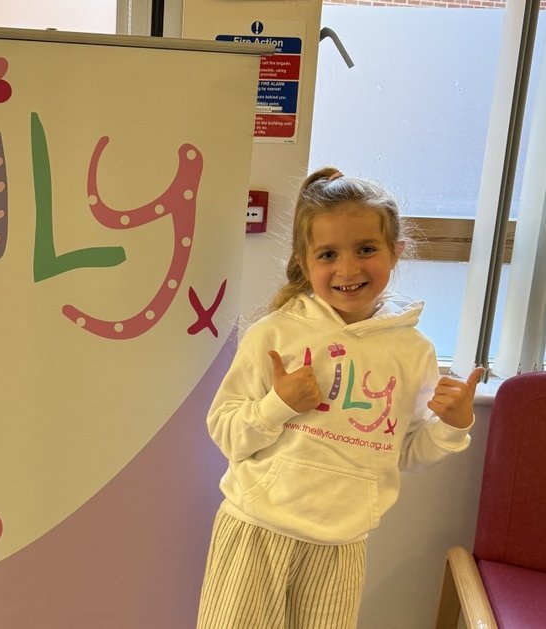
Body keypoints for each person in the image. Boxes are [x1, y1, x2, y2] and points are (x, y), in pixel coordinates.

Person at [196, 166, 483, 629]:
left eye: (366, 249)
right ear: (304, 262)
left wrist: (453, 426)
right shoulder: (274, 333)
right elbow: (226, 432)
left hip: (342, 544)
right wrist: (278, 404)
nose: (347, 269)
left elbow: (408, 453)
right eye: (328, 254)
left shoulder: (414, 353)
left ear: (396, 252)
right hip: (256, 531)